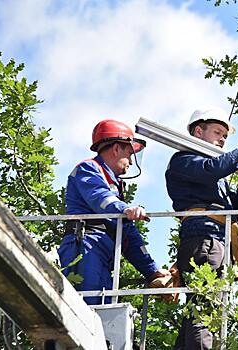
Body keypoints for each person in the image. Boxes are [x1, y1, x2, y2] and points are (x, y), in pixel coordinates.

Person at [165, 107, 238, 349]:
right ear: (198, 131)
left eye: (225, 135)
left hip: (215, 240)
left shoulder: (215, 177)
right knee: (205, 308)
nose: (223, 139)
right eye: (218, 132)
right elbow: (213, 169)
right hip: (204, 240)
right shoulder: (184, 160)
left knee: (200, 308)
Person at [58, 119, 170, 305]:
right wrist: (125, 209)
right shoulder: (88, 169)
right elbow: (100, 199)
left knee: (104, 309)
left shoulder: (115, 186)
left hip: (103, 252)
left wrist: (153, 271)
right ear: (116, 149)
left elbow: (129, 236)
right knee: (86, 307)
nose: (132, 161)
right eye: (129, 153)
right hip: (85, 246)